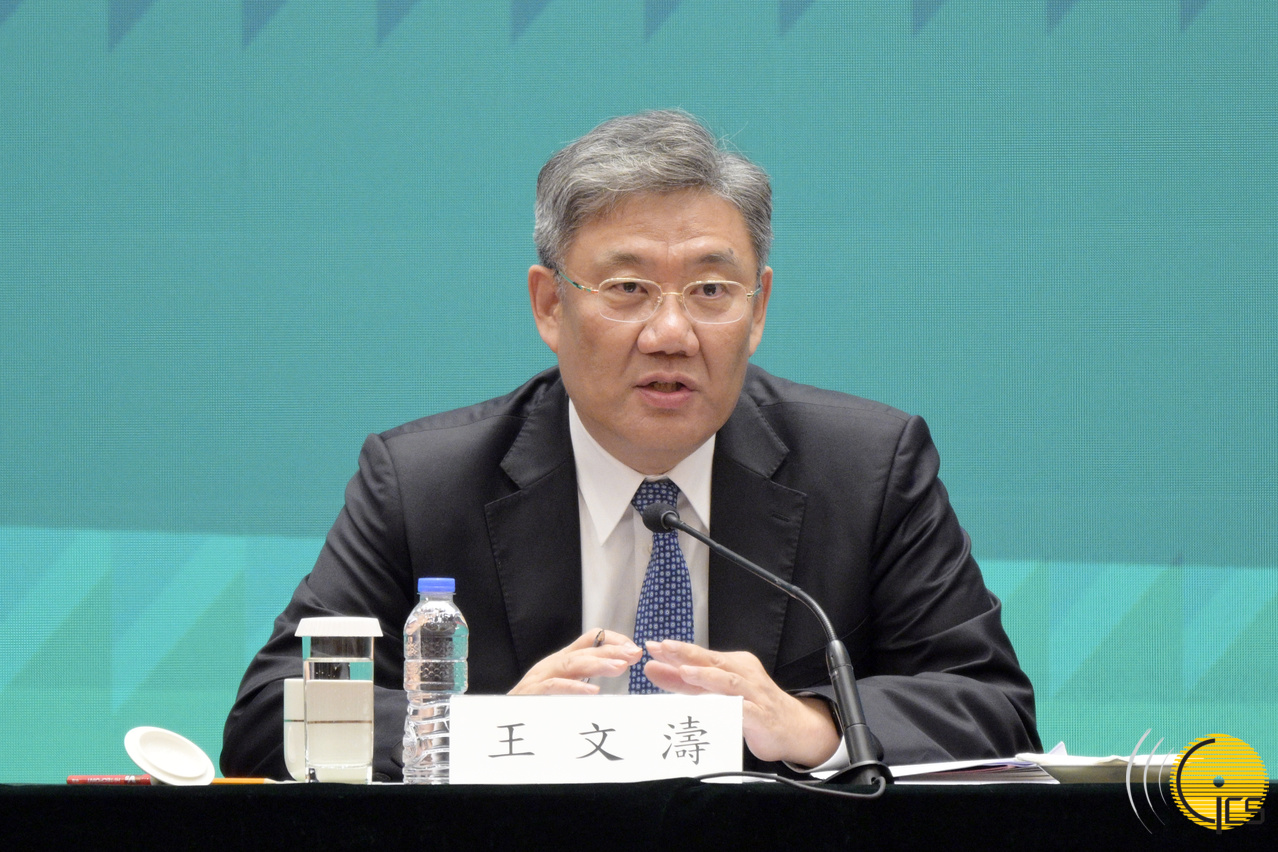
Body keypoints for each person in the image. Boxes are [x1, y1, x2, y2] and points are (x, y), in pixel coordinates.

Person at [221, 109, 1040, 781]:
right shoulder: (424, 482)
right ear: (550, 306)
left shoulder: (867, 469)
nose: (671, 332)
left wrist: (818, 725)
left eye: (711, 290)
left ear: (757, 308)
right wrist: (485, 731)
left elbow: (992, 705)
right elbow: (268, 718)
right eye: (628, 289)